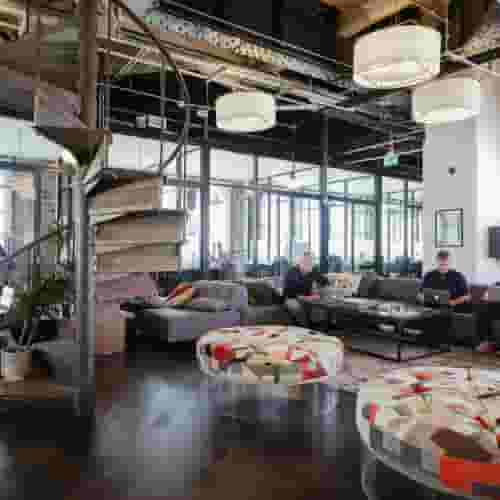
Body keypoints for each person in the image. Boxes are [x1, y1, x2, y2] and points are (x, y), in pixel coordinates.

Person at [283, 252, 329, 326]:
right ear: (300, 262)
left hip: (307, 298)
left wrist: (319, 291)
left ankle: (319, 328)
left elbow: (325, 282)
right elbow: (292, 292)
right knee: (296, 307)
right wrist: (310, 297)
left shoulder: (313, 271)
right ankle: (305, 327)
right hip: (291, 298)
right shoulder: (292, 272)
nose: (309, 264)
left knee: (320, 308)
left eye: (311, 262)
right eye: (306, 262)